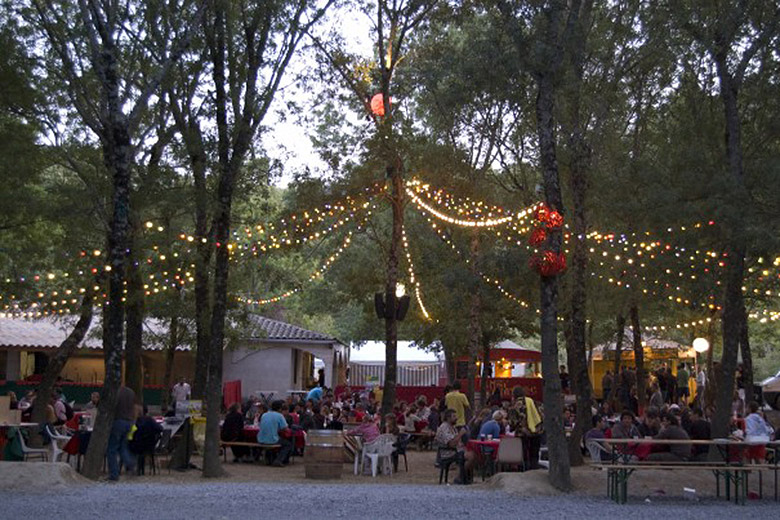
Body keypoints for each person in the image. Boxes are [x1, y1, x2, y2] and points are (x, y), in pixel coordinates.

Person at [506, 386, 543, 469]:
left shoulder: (515, 405)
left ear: (514, 395)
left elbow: (513, 423)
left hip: (523, 434)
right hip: (537, 432)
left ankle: (525, 472)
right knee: (534, 454)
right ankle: (534, 471)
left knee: (524, 455)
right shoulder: (534, 402)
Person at [434, 409, 474, 484]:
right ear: (448, 418)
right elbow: (451, 444)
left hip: (456, 450)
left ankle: (464, 477)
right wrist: (461, 434)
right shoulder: (444, 428)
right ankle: (459, 477)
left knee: (473, 454)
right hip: (448, 452)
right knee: (470, 456)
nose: (456, 418)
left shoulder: (452, 427)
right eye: (454, 416)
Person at [107, 386, 137, 481]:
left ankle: (114, 474)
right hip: (129, 422)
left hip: (118, 421)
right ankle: (130, 462)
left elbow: (110, 406)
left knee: (112, 449)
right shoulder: (130, 392)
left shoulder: (115, 391)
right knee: (123, 447)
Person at [130, 404, 164, 474]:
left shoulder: (137, 421)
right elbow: (160, 429)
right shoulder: (150, 420)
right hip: (150, 445)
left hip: (137, 445)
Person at [257, 400, 293, 466]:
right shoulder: (279, 416)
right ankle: (279, 460)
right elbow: (285, 428)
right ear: (279, 408)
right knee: (288, 444)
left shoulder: (264, 414)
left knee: (275, 439)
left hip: (260, 439)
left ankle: (269, 458)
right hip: (272, 440)